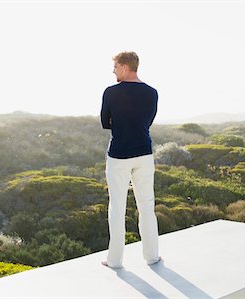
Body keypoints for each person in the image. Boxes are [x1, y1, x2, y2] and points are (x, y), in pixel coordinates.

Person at [100, 51, 162, 268]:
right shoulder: (152, 93)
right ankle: (152, 256)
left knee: (117, 206)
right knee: (147, 205)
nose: (113, 71)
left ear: (125, 67)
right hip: (144, 154)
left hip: (119, 155)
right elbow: (148, 121)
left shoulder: (110, 92)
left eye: (116, 67)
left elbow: (105, 123)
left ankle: (114, 261)